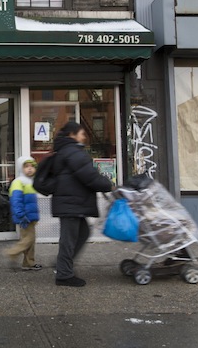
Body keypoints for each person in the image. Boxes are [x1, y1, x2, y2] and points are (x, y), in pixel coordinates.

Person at [52, 121, 113, 287]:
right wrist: (108, 184)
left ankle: (63, 265)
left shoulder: (65, 150)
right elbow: (89, 176)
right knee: (69, 239)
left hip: (72, 201)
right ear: (72, 134)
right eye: (81, 133)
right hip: (71, 202)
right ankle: (64, 274)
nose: (83, 136)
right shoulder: (73, 152)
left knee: (82, 233)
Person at [5, 156, 42, 271]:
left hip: (31, 216)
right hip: (25, 216)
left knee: (31, 240)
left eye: (32, 166)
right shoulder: (18, 182)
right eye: (26, 167)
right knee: (29, 239)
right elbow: (16, 201)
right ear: (20, 168)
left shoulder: (30, 182)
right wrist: (21, 215)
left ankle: (28, 263)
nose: (30, 169)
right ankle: (13, 252)